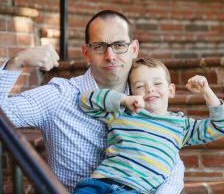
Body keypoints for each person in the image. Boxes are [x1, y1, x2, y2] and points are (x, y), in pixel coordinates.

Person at [0, 10, 185, 193]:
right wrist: (17, 62)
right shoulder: (59, 96)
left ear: (134, 49)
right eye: (99, 46)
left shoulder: (146, 98)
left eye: (119, 45)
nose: (110, 55)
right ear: (86, 52)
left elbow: (171, 158)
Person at [75, 58, 224, 194]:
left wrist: (206, 91)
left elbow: (222, 126)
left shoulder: (182, 126)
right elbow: (86, 101)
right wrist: (123, 100)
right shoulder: (123, 112)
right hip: (99, 182)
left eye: (157, 83)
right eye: (139, 86)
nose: (150, 89)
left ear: (171, 90)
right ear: (131, 93)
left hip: (134, 190)